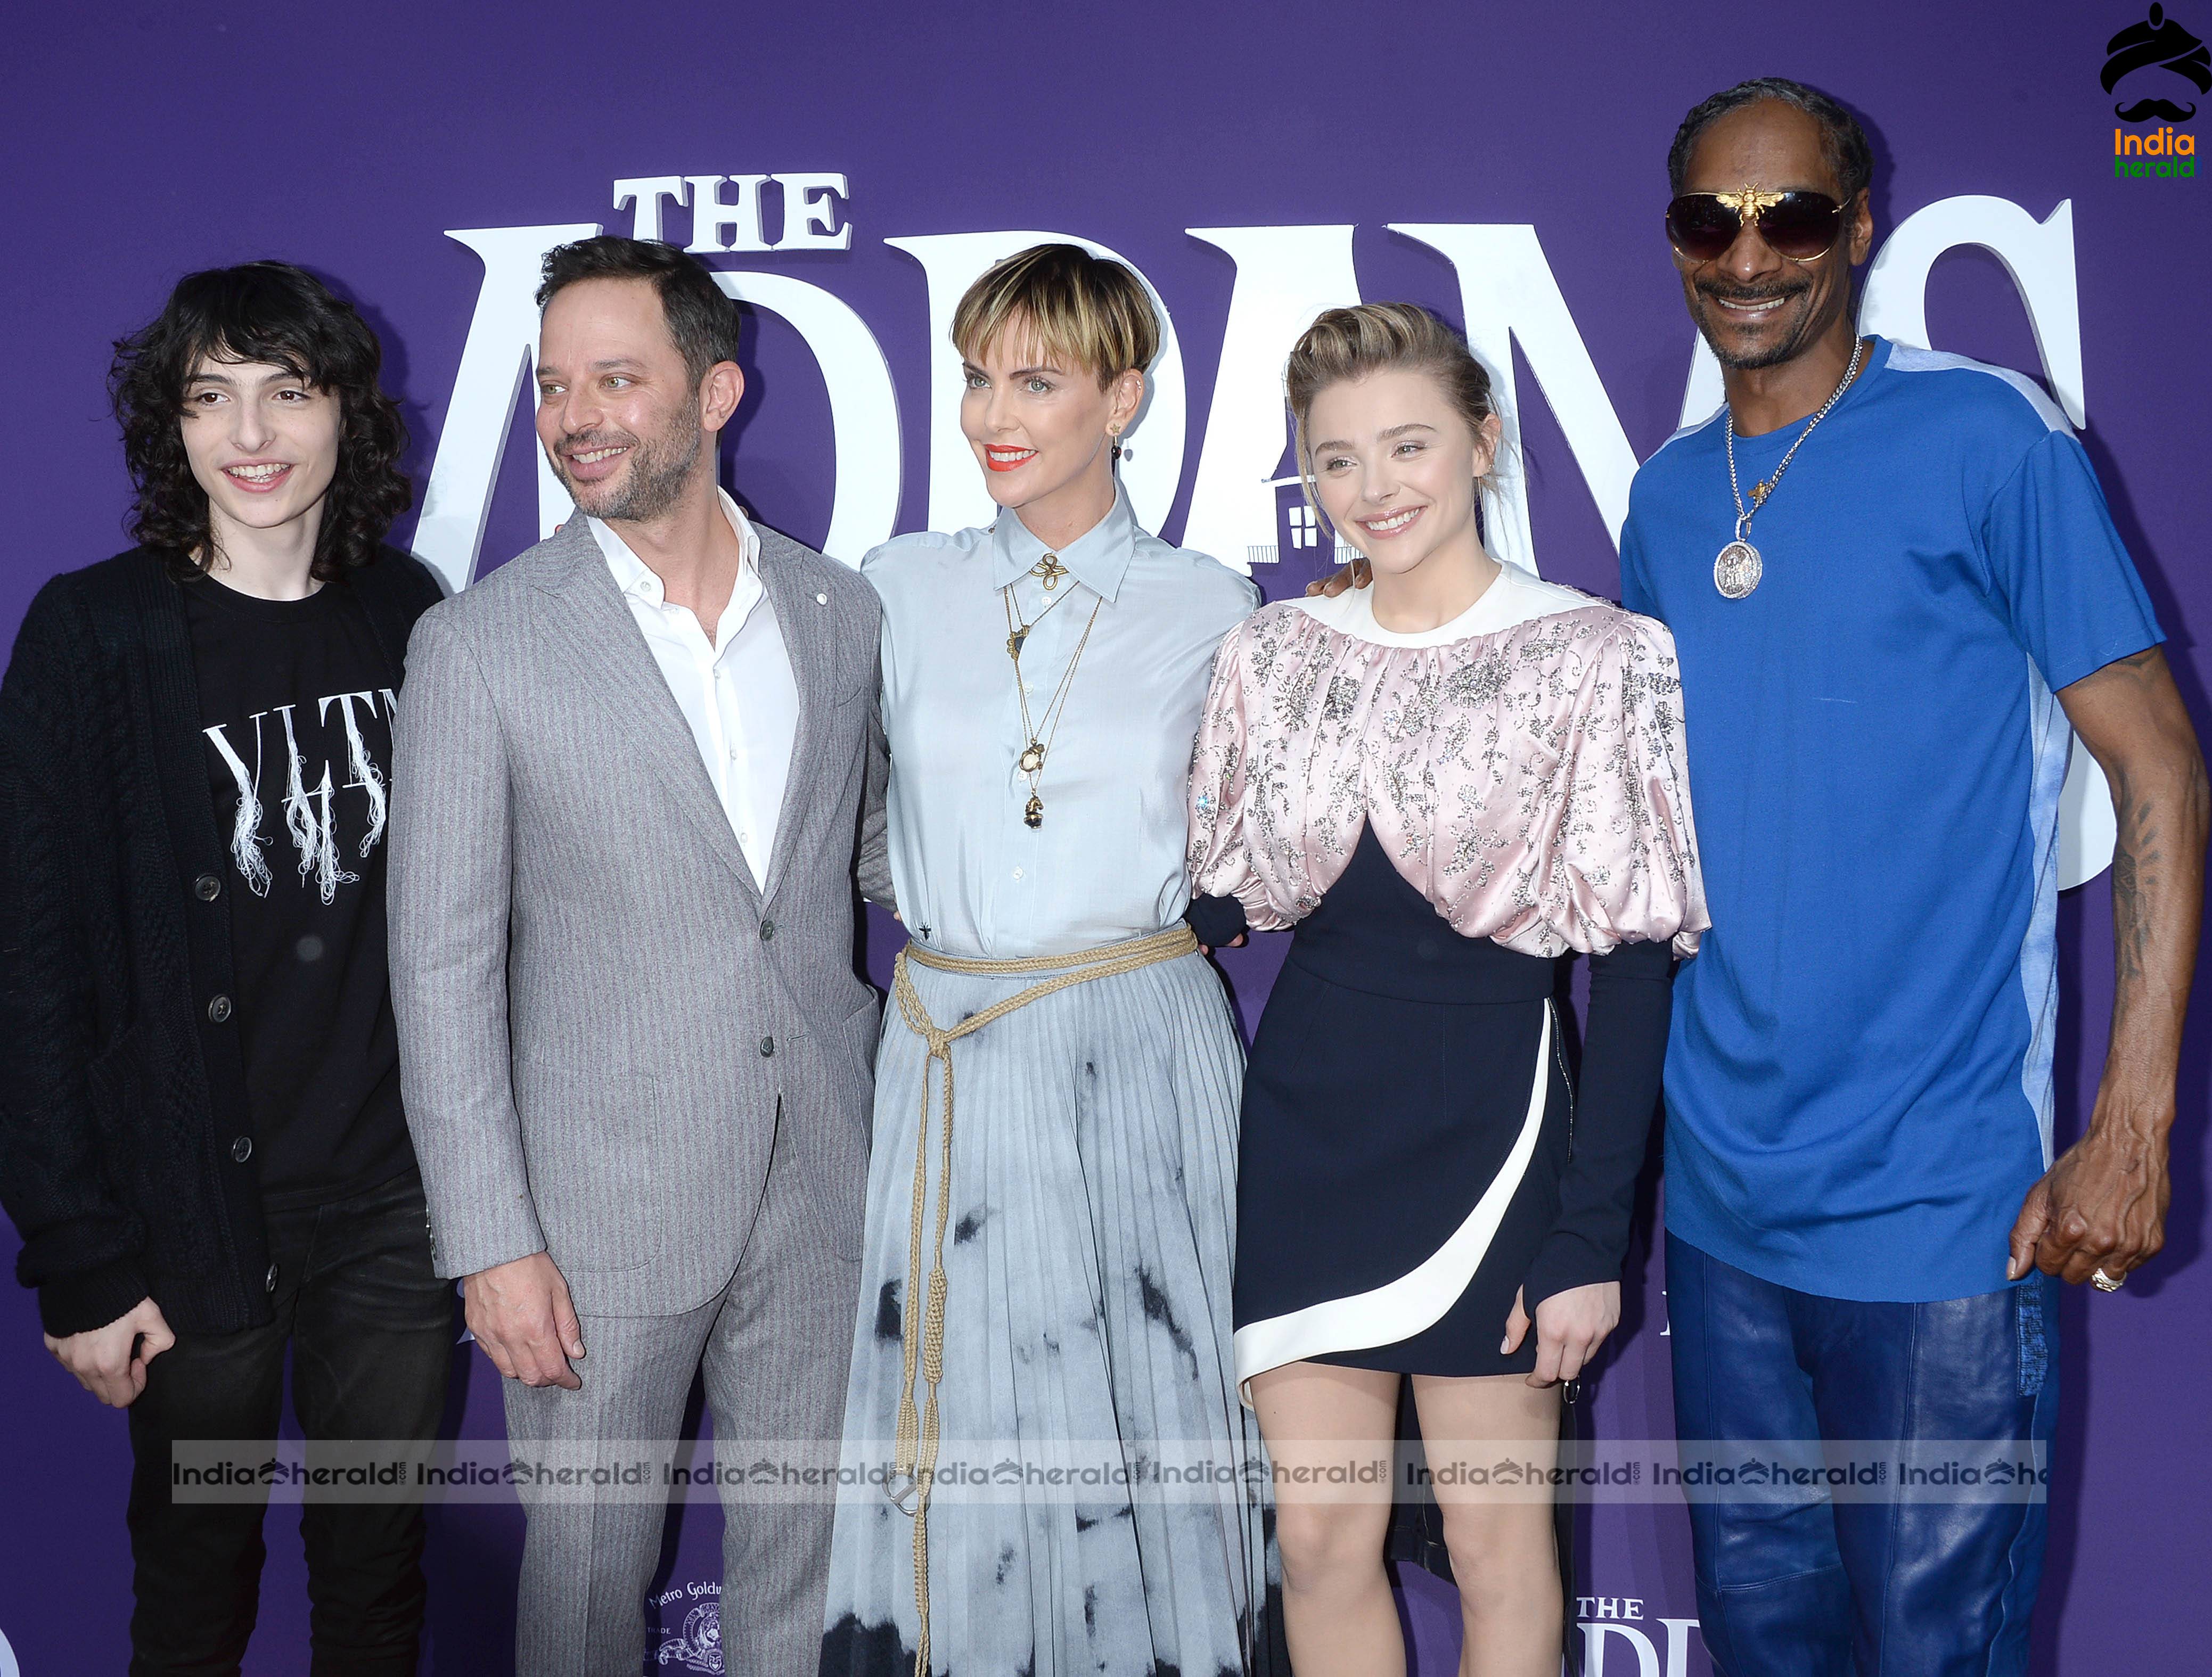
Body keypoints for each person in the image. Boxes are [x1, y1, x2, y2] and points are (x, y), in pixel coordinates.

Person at [1620, 80, 2206, 1673]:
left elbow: (2156, 763)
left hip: (1944, 1210)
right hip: (1725, 1212)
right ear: (1673, 240)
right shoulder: (1665, 498)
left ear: (1857, 229)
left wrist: (2130, 1124)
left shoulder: (1982, 433)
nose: (1749, 257)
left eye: (1790, 215)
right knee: (1764, 1655)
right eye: (1708, 221)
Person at [386, 235, 890, 1677]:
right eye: (554, 386)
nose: (576, 416)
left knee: (804, 1571)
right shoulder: (481, 647)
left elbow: (862, 865)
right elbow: (439, 968)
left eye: (617, 378)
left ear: (714, 391)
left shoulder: (835, 612)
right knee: (585, 1590)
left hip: (820, 1182)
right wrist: (490, 1242)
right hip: (592, 1220)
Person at [1193, 301, 1707, 1677]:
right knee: (1315, 1542)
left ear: (1483, 442)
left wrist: (1589, 1240)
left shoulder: (1594, 655)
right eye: (1338, 460)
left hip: (1495, 1137)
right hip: (1305, 1144)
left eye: (1408, 446)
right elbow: (1242, 890)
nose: (1375, 490)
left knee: (1494, 1553)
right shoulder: (1272, 656)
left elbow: (1639, 969)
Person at [819, 244, 1271, 1677]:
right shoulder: (892, 587)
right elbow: (850, 815)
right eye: (973, 376)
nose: (990, 414)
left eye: (1036, 379)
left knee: (1152, 1415)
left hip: (1137, 1059)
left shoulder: (1218, 602)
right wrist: (964, 940)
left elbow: (1258, 842)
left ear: (1121, 398)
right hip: (948, 1056)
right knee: (955, 1434)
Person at [0, 263, 448, 1674]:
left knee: (377, 1571)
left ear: (343, 416)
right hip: (194, 1219)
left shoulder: (408, 610)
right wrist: (77, 1256)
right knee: (196, 1575)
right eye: (211, 399)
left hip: (391, 1210)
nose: (251, 435)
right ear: (172, 429)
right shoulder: (94, 634)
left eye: (288, 392)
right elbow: (28, 961)